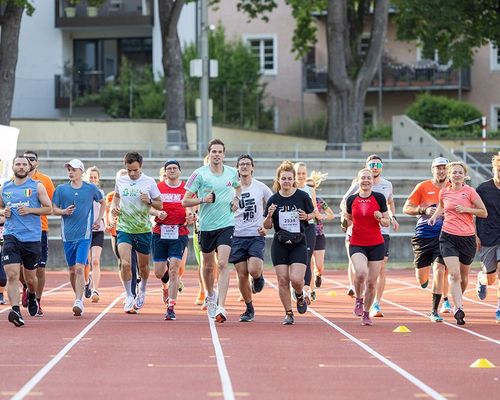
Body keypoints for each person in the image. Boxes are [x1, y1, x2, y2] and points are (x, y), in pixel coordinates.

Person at [182, 138, 241, 323]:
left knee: (223, 263)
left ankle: (221, 305)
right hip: (206, 226)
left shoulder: (232, 172)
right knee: (208, 267)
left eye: (220, 152)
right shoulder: (199, 174)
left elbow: (238, 189)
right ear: (209, 154)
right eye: (213, 152)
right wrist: (202, 200)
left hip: (226, 224)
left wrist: (236, 200)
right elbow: (185, 201)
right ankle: (210, 296)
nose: (217, 155)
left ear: (224, 154)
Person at [429, 161, 487, 325]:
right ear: (449, 175)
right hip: (448, 237)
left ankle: (456, 301)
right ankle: (459, 308)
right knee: (453, 274)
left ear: (464, 175)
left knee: (463, 278)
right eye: (454, 172)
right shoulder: (444, 192)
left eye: (460, 172)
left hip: (467, 238)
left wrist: (467, 209)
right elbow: (441, 207)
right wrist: (434, 217)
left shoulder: (470, 192)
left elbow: (483, 212)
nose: (457, 175)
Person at [340, 154, 398, 317]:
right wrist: (344, 222)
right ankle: (359, 297)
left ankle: (375, 304)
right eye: (371, 165)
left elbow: (390, 204)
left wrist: (389, 218)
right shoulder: (354, 192)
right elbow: (346, 209)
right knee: (361, 272)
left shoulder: (385, 187)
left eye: (378, 165)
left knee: (377, 274)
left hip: (379, 236)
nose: (374, 168)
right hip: (358, 237)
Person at [0, 156, 52, 326]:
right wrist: (4, 212)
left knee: (30, 279)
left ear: (29, 167)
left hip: (31, 238)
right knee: (12, 274)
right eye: (18, 164)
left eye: (24, 164)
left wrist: (30, 210)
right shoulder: (5, 187)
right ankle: (15, 310)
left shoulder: (36, 186)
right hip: (11, 235)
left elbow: (48, 208)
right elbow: (0, 207)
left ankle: (31, 295)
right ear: (13, 166)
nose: (21, 167)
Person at [263, 160, 315, 325]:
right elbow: (267, 226)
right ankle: (288, 312)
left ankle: (299, 295)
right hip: (280, 243)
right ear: (278, 180)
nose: (286, 181)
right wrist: (269, 215)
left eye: (289, 178)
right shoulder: (273, 200)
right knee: (282, 279)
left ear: (293, 180)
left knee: (296, 279)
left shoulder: (302, 196)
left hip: (298, 241)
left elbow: (313, 213)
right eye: (283, 178)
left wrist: (306, 217)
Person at [52, 159, 105, 316]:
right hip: (68, 236)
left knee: (80, 269)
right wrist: (63, 212)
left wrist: (98, 220)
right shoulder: (61, 189)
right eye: (68, 169)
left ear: (81, 171)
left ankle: (78, 300)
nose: (70, 172)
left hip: (85, 235)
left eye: (74, 169)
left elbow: (103, 203)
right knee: (72, 270)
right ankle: (79, 297)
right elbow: (53, 209)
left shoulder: (90, 188)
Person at [110, 152, 162, 314]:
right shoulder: (121, 180)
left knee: (143, 266)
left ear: (140, 166)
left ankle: (143, 289)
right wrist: (114, 209)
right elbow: (116, 199)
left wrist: (150, 201)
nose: (132, 174)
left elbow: (160, 205)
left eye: (135, 170)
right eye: (129, 170)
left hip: (143, 229)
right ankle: (129, 295)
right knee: (125, 263)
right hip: (124, 228)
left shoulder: (149, 182)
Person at [403, 157, 450, 322]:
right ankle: (425, 281)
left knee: (440, 269)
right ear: (433, 170)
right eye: (438, 168)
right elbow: (406, 208)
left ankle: (434, 309)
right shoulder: (423, 187)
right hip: (423, 236)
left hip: (445, 235)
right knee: (422, 278)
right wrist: (423, 210)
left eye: (444, 168)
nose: (441, 171)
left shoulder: (454, 187)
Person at [229, 154, 273, 322]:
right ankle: (249, 307)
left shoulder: (261, 187)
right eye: (241, 164)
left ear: (253, 167)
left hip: (255, 235)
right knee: (241, 275)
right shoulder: (232, 188)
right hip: (237, 236)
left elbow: (273, 206)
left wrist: (267, 225)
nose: (245, 167)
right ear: (237, 168)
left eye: (247, 164)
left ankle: (258, 276)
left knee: (253, 269)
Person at [151, 160, 193, 320]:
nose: (172, 170)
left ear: (180, 171)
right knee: (158, 272)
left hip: (179, 232)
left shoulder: (186, 188)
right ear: (165, 172)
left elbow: (191, 207)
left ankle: (171, 306)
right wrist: (156, 213)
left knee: (175, 269)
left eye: (175, 168)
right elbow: (149, 206)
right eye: (169, 168)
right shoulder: (158, 187)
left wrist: (191, 216)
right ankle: (165, 279)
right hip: (160, 232)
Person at [23, 150, 55, 316]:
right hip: (19, 230)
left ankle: (37, 300)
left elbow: (50, 205)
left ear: (37, 163)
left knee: (40, 270)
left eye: (32, 159)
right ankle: (26, 286)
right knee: (20, 268)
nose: (29, 162)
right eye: (25, 159)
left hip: (40, 229)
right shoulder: (14, 181)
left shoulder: (45, 180)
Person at [104, 169, 140, 297]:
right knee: (122, 262)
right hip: (116, 232)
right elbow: (108, 212)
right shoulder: (111, 196)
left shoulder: (135, 193)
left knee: (132, 262)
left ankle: (133, 292)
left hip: (132, 231)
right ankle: (128, 289)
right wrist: (109, 222)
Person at [475, 154, 500, 322]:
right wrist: (475, 235)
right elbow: (473, 214)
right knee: (491, 278)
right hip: (487, 236)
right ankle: (481, 279)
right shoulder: (483, 189)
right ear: (493, 170)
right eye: (499, 170)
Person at [294, 162, 319, 302]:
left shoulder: (311, 190)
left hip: (308, 227)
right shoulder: (291, 189)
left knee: (307, 258)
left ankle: (306, 289)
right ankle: (296, 286)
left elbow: (314, 211)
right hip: (294, 228)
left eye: (304, 173)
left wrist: (308, 216)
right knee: (296, 259)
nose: (301, 176)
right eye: (299, 173)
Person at [85, 166, 105, 303]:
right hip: (84, 231)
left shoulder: (100, 193)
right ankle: (86, 281)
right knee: (85, 262)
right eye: (90, 177)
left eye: (95, 178)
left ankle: (95, 289)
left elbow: (103, 207)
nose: (92, 179)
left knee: (95, 261)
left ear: (98, 180)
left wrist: (98, 220)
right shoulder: (82, 192)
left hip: (98, 230)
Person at [311, 196, 335, 295]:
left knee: (319, 266)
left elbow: (331, 215)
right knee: (308, 265)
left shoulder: (318, 200)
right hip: (304, 235)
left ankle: (318, 274)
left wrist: (322, 216)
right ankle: (310, 290)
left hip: (318, 235)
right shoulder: (299, 197)